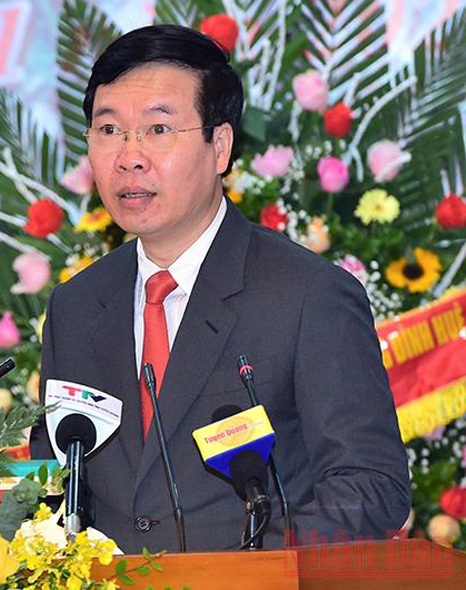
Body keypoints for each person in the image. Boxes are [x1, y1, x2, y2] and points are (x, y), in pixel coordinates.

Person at [29, 24, 410, 553]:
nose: (129, 156)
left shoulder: (308, 295)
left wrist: (251, 569)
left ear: (220, 147)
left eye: (158, 129)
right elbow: (55, 487)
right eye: (109, 129)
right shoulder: (76, 306)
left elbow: (371, 487)